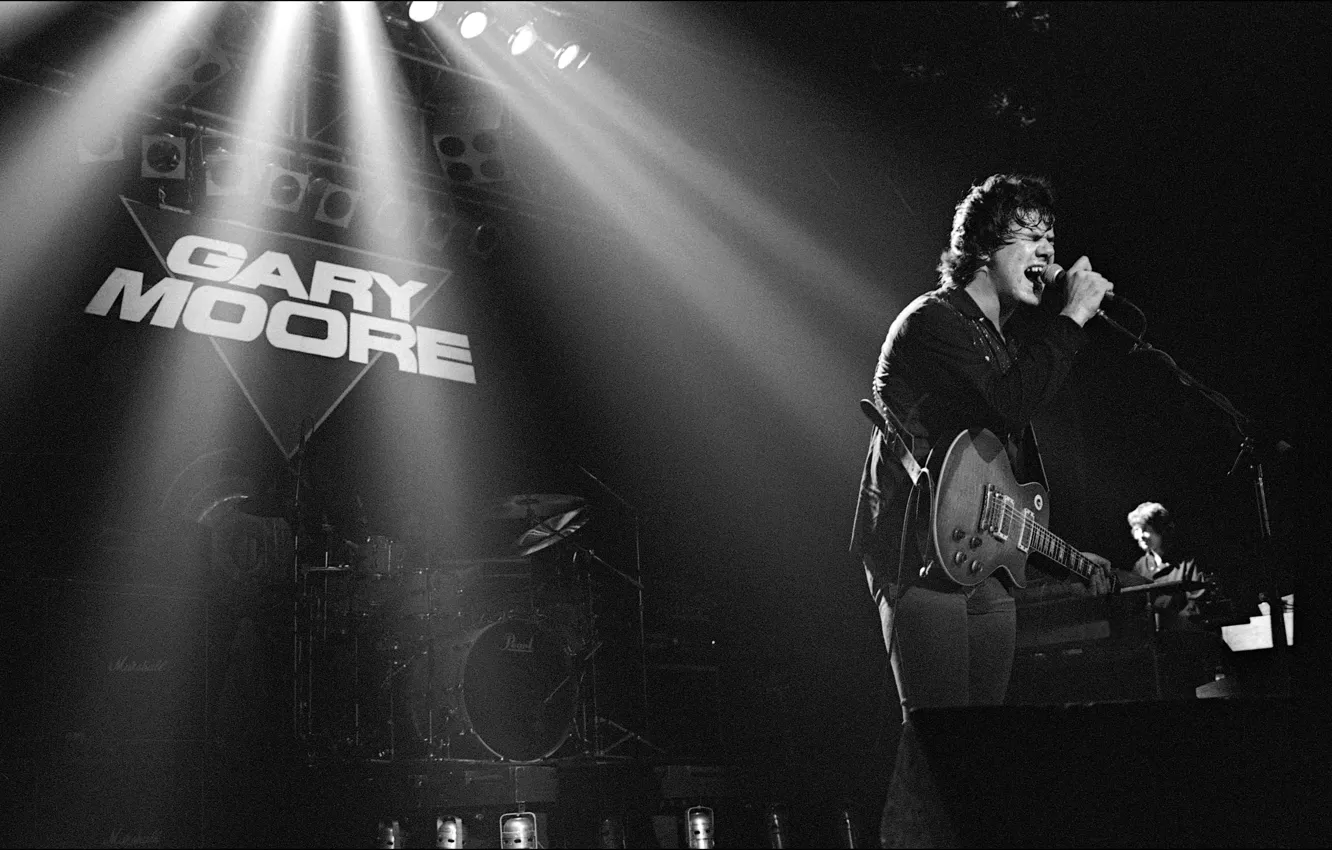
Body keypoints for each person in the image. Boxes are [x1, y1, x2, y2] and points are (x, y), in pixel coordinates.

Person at [850, 173, 1117, 847]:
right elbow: (1007, 402)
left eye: (1051, 237)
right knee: (942, 749)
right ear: (978, 249)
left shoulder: (1003, 341)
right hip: (920, 555)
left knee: (984, 753)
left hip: (982, 559)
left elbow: (1009, 465)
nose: (1047, 252)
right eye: (1031, 236)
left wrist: (1070, 558)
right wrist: (1072, 318)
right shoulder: (933, 322)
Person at [1124, 500, 1229, 698]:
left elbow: (1198, 607)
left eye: (1145, 529)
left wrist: (1167, 624)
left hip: (1188, 650)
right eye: (1136, 530)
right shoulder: (1140, 566)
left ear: (1162, 530)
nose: (1139, 536)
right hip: (1153, 653)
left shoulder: (1188, 562)